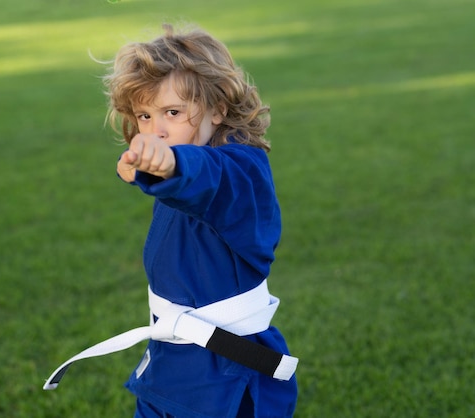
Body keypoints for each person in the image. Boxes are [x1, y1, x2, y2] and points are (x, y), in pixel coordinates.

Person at [43, 23, 298, 417]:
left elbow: (207, 175)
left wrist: (172, 162)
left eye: (172, 112)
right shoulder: (181, 163)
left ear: (218, 107)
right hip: (171, 360)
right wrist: (152, 164)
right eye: (144, 116)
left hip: (225, 372)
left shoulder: (241, 172)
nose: (156, 130)